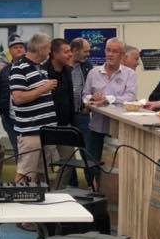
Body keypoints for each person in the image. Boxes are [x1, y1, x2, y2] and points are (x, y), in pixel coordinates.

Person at [82, 38, 137, 181]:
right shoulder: (94, 72)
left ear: (123, 55)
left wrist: (108, 99)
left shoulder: (130, 74)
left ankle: (111, 195)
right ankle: (92, 191)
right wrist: (92, 99)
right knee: (92, 164)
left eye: (115, 51)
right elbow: (85, 95)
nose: (110, 54)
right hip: (97, 127)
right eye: (108, 50)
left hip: (119, 130)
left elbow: (130, 97)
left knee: (114, 167)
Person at [9, 33, 58, 185]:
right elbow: (18, 98)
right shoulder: (19, 67)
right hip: (31, 132)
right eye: (48, 49)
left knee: (44, 173)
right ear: (41, 48)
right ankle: (19, 204)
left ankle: (42, 203)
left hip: (47, 130)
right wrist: (44, 88)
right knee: (26, 172)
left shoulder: (41, 68)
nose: (50, 53)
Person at [46, 38, 79, 188]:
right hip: (45, 126)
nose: (70, 55)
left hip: (64, 125)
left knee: (69, 160)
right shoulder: (42, 71)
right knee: (44, 165)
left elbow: (70, 98)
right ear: (54, 54)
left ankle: (56, 192)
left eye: (70, 51)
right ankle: (43, 194)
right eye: (66, 52)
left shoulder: (67, 70)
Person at [69, 37, 94, 185]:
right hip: (65, 116)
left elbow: (92, 88)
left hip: (82, 114)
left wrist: (88, 104)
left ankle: (92, 183)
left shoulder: (87, 66)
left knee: (87, 151)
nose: (88, 54)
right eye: (86, 51)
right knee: (67, 152)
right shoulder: (62, 67)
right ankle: (71, 186)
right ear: (74, 51)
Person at [0, 34, 26, 156]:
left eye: (21, 47)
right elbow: (0, 91)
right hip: (9, 118)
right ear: (9, 51)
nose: (19, 49)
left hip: (26, 118)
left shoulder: (31, 67)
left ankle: (27, 175)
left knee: (26, 151)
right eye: (15, 47)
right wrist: (2, 112)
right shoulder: (5, 70)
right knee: (17, 150)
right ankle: (22, 174)